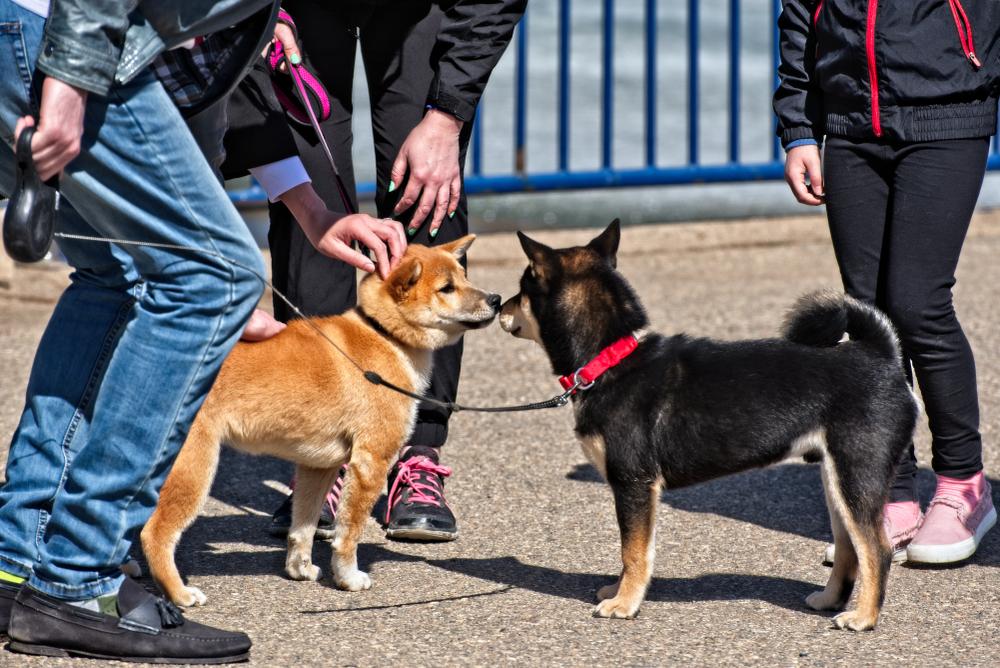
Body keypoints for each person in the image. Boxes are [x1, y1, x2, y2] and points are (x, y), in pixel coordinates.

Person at [0, 0, 294, 662]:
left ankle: (17, 562)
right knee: (216, 278)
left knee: (114, 269)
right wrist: (72, 79)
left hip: (30, 28)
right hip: (62, 35)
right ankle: (77, 577)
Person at [254, 0, 526, 542]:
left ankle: (419, 450)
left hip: (418, 10)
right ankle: (324, 454)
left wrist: (448, 115)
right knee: (313, 212)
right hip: (303, 10)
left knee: (428, 202)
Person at [774, 0, 998, 564]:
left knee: (917, 302)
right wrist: (800, 129)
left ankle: (963, 484)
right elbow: (800, 14)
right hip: (850, 125)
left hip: (948, 110)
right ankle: (891, 489)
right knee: (868, 315)